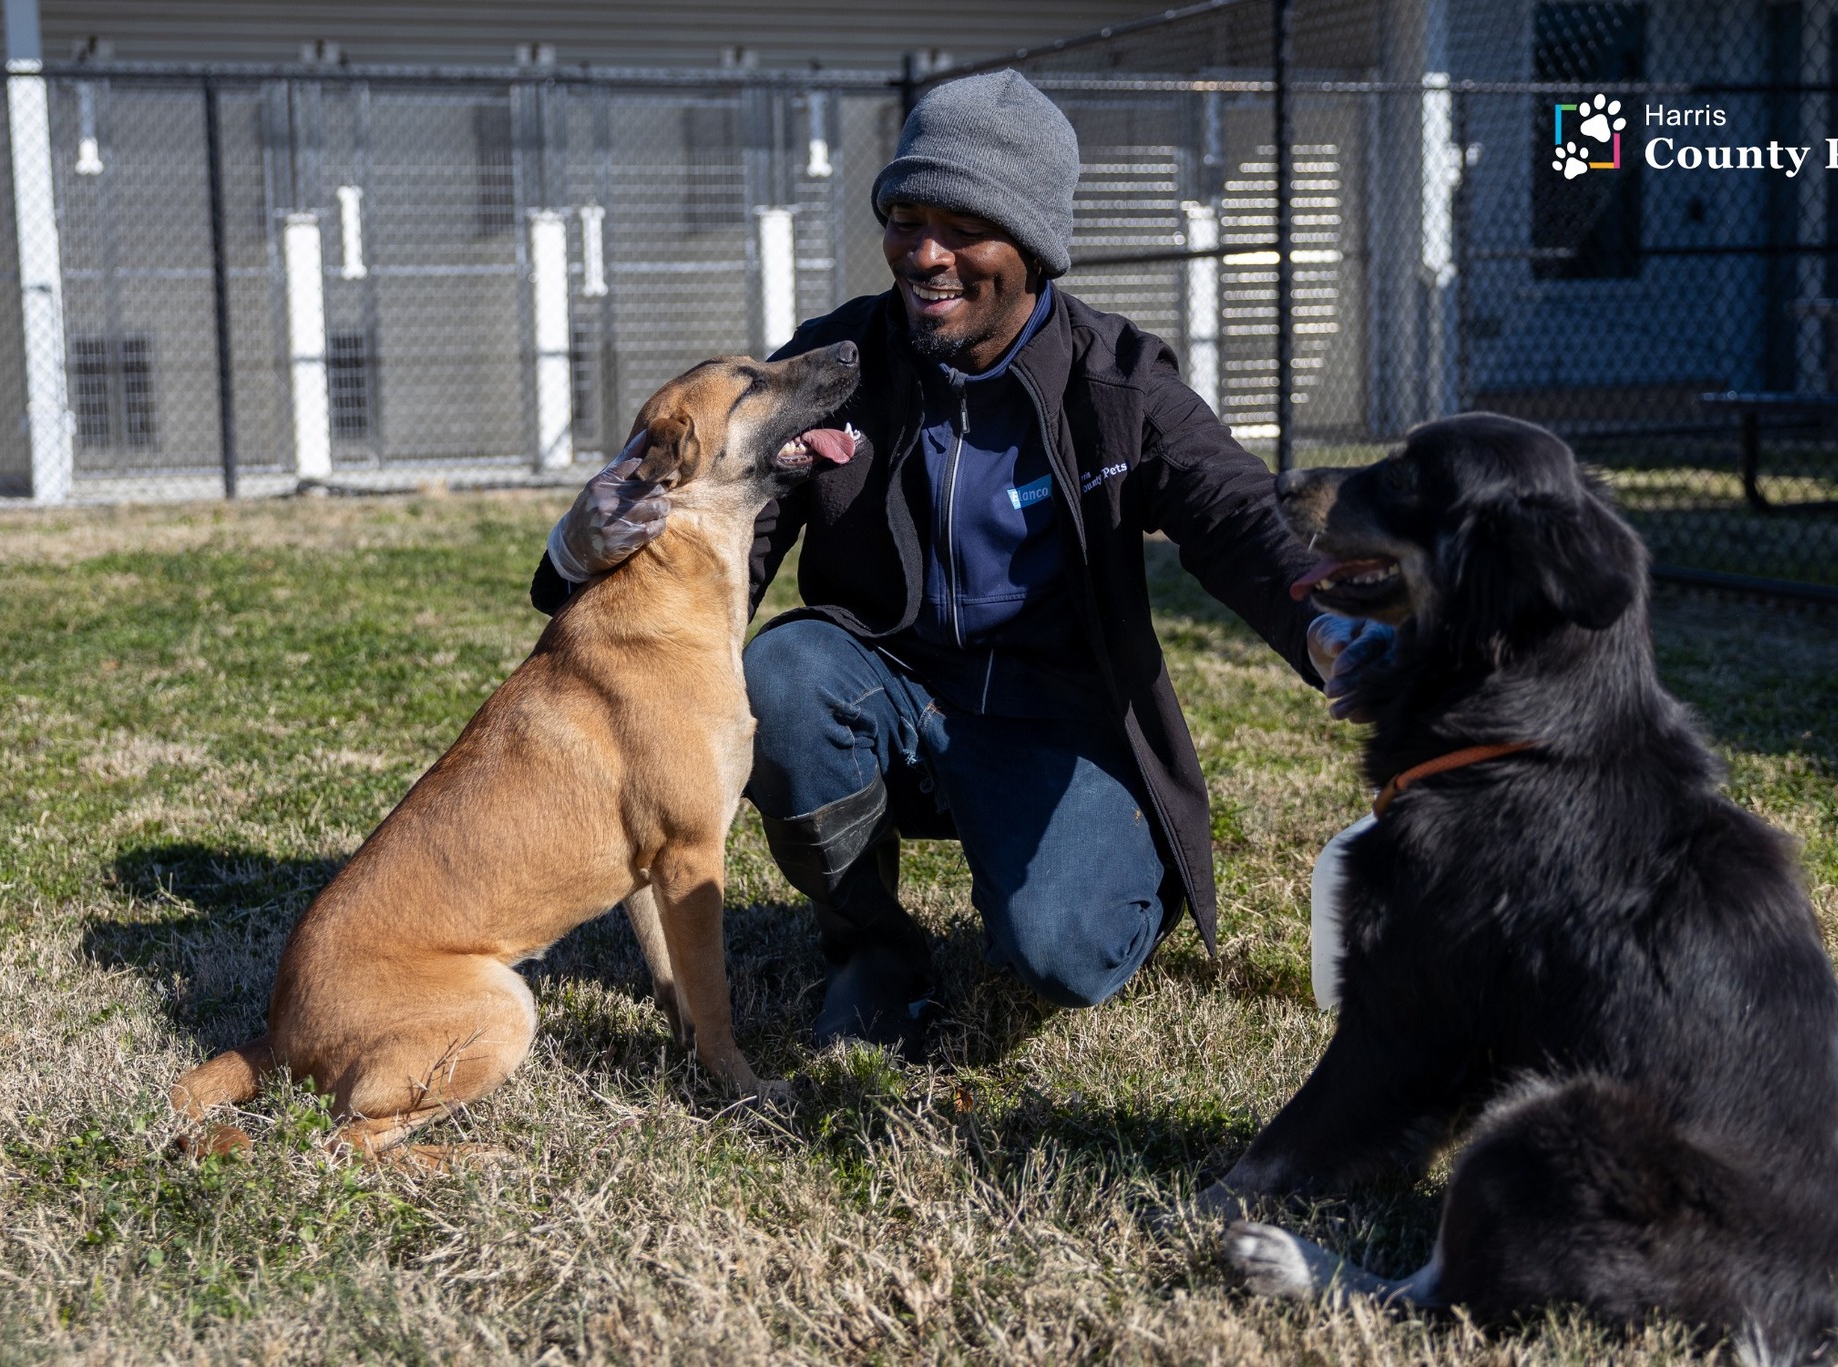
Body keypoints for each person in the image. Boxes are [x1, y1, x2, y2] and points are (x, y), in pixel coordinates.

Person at [531, 70, 1387, 1059]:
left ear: (1030, 245)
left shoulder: (1117, 383)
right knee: (782, 673)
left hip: (1055, 716)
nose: (923, 253)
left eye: (962, 224)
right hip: (887, 693)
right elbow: (718, 544)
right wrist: (578, 548)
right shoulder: (835, 365)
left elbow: (1237, 518)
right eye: (905, 217)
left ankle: (1110, 872)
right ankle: (872, 950)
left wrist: (1315, 620)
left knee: (1066, 955)